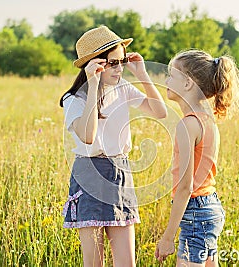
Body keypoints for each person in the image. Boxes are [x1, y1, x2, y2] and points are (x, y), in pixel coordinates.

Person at [60, 25, 167, 267]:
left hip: (120, 172)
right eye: (114, 62)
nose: (120, 68)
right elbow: (88, 136)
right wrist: (93, 83)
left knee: (127, 263)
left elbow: (160, 112)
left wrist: (142, 74)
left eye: (122, 61)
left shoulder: (123, 89)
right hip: (89, 174)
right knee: (94, 263)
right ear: (95, 63)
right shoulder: (74, 100)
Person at [155, 49, 239, 266]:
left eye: (171, 75)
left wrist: (168, 237)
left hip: (196, 211)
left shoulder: (188, 125)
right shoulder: (207, 121)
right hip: (210, 206)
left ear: (187, 83)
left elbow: (186, 187)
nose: (165, 80)